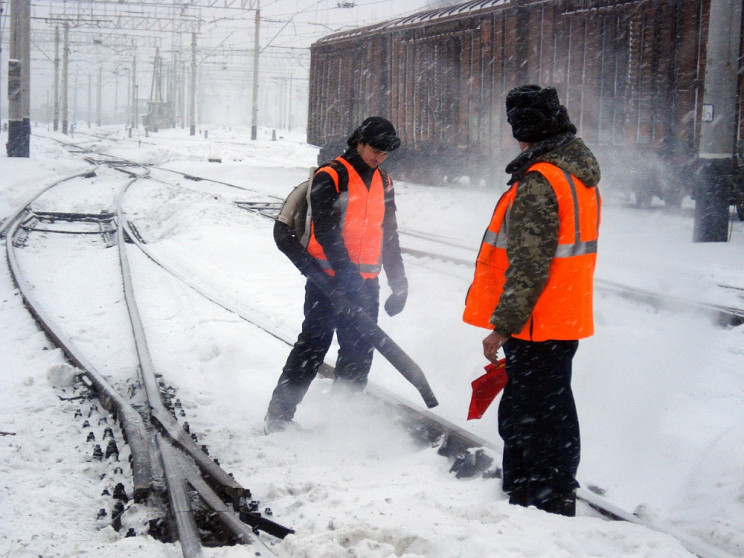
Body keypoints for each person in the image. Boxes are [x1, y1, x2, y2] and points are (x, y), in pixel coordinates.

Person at [463, 85, 601, 516]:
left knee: (538, 414)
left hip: (536, 320)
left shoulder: (542, 180)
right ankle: (527, 488)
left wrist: (502, 324)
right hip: (561, 314)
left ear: (525, 131)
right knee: (541, 407)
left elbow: (528, 265)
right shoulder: (576, 173)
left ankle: (547, 498)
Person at [265, 116, 408, 434]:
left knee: (358, 353)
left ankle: (343, 424)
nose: (379, 157)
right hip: (326, 284)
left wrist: (399, 283)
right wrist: (345, 276)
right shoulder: (331, 176)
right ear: (359, 142)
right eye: (375, 150)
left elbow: (390, 234)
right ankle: (279, 417)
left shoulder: (384, 182)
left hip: (367, 286)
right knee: (313, 347)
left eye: (385, 154)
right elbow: (327, 232)